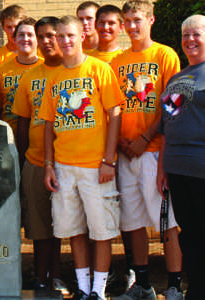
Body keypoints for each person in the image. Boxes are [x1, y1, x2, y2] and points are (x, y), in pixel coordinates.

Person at [39, 16, 122, 300]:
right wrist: (49, 165)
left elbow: (114, 114)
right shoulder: (53, 78)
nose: (65, 41)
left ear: (82, 36)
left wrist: (109, 159)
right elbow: (49, 124)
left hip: (95, 166)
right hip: (64, 167)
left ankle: (99, 290)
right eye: (60, 36)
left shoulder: (99, 69)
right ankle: (84, 289)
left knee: (101, 231)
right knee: (73, 230)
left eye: (70, 35)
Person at [110, 1, 183, 300]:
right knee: (133, 222)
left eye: (137, 19)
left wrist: (147, 138)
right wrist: (122, 144)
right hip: (127, 154)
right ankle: (143, 285)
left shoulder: (165, 54)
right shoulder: (116, 62)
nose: (131, 26)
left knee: (167, 222)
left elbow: (173, 104)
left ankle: (175, 286)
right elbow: (112, 108)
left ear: (150, 20)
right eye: (127, 20)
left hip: (153, 150)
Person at [12, 16, 66, 294]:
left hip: (71, 160)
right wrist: (22, 161)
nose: (46, 42)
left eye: (51, 35)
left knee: (66, 224)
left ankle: (60, 275)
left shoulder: (74, 71)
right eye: (41, 36)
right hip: (35, 160)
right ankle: (41, 276)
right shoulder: (30, 77)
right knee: (40, 224)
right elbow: (22, 122)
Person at [157, 14, 205, 300]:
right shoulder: (178, 79)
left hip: (202, 167)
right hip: (177, 168)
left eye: (196, 34)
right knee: (191, 235)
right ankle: (196, 290)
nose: (190, 40)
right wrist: (162, 168)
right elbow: (168, 124)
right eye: (185, 35)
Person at [0, 17, 44, 134]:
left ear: (38, 39)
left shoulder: (47, 68)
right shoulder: (1, 71)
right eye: (21, 35)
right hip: (10, 139)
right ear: (14, 39)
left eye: (30, 35)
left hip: (40, 139)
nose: (25, 39)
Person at [0, 5, 25, 78]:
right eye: (9, 27)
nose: (13, 31)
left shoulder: (39, 54)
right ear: (3, 28)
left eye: (16, 26)